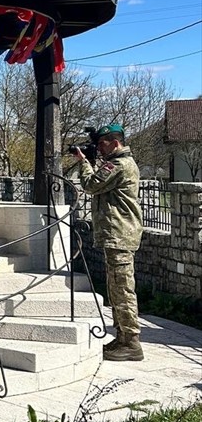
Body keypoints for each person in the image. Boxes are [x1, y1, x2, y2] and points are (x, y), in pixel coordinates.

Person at [73, 122, 144, 362]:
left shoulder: (119, 164)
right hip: (117, 234)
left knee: (122, 288)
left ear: (115, 143)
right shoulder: (117, 163)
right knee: (116, 286)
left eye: (103, 144)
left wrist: (84, 161)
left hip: (120, 234)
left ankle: (131, 342)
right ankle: (122, 337)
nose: (100, 149)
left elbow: (90, 185)